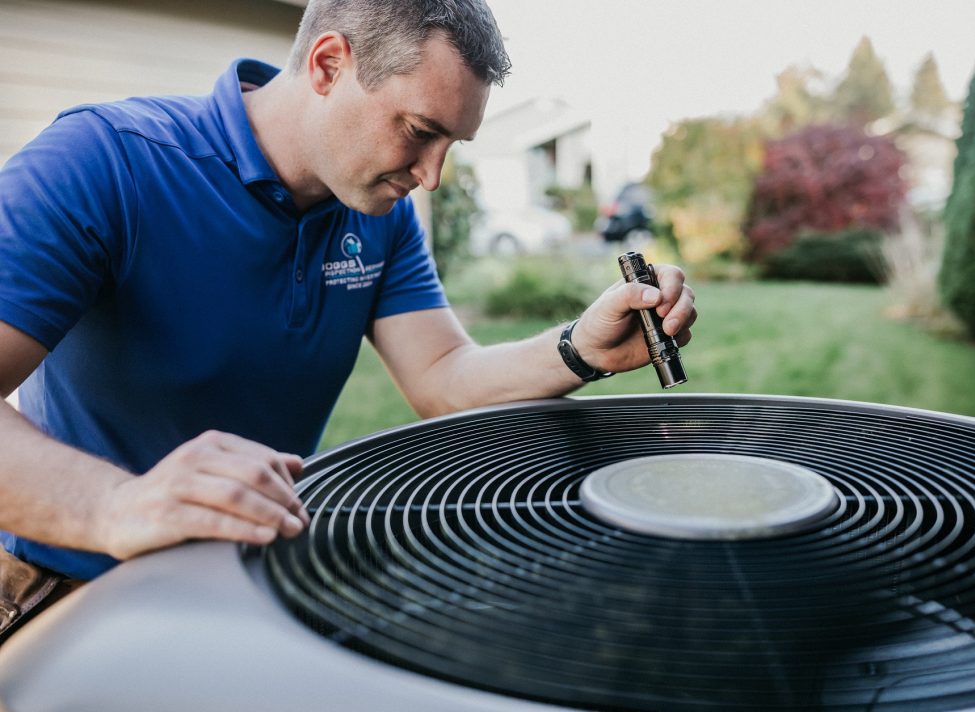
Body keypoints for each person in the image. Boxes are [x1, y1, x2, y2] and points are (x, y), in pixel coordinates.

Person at [0, 0, 696, 595]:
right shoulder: (104, 162)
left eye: (451, 144)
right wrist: (118, 506)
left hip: (253, 578)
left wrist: (578, 349)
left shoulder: (375, 210)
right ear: (328, 64)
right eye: (421, 132)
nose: (431, 177)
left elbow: (443, 378)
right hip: (69, 587)